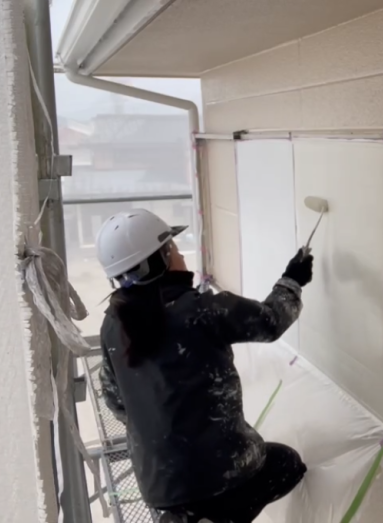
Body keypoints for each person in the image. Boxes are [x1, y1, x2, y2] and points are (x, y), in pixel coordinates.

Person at [95, 209, 313, 523]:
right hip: (220, 476)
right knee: (287, 464)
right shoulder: (199, 310)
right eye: (173, 248)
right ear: (160, 261)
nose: (181, 254)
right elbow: (271, 320)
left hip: (161, 488)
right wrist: (292, 279)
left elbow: (116, 401)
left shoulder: (113, 327)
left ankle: (192, 516)